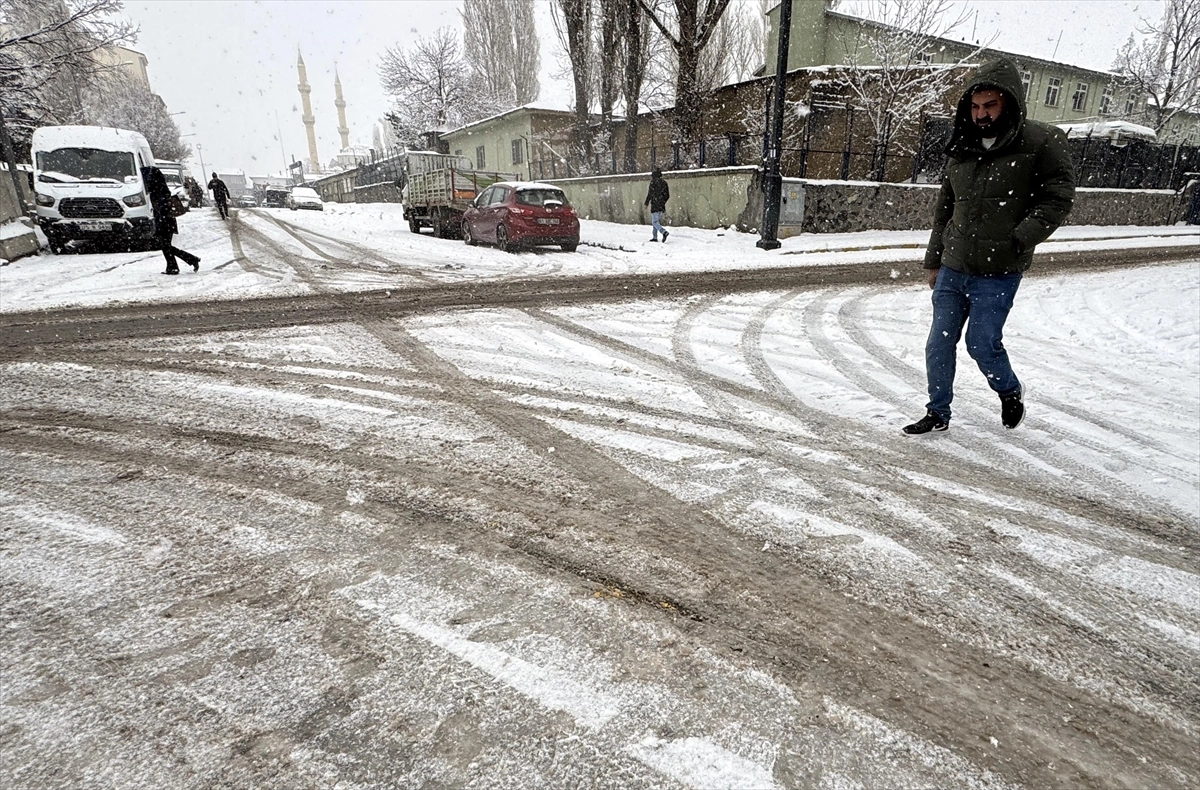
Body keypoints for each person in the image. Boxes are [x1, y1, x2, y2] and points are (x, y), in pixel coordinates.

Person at [903, 58, 1075, 435]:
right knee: (938, 345)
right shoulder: (962, 146)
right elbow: (945, 209)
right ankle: (937, 413)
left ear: (1009, 102)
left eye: (990, 105)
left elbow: (1058, 198)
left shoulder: (1042, 141)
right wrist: (934, 260)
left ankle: (1009, 390)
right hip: (953, 267)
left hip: (999, 271)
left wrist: (1018, 238)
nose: (981, 114)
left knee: (981, 344)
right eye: (975, 106)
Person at [144, 165, 200, 275]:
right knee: (165, 245)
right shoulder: (160, 188)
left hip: (165, 221)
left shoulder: (159, 190)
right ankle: (175, 265)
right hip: (165, 220)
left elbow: (163, 207)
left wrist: (161, 221)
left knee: (164, 245)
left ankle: (186, 261)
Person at [644, 166, 670, 242]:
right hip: (661, 205)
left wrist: (646, 203)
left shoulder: (653, 182)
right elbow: (667, 195)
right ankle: (654, 237)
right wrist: (663, 201)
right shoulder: (664, 183)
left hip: (655, 204)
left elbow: (650, 194)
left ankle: (664, 232)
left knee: (655, 222)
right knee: (656, 221)